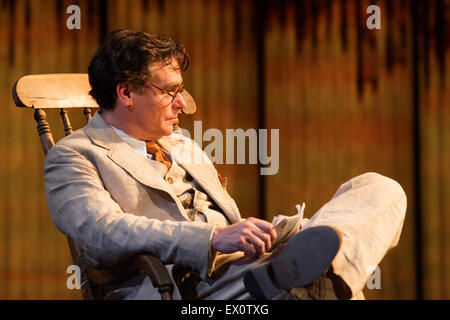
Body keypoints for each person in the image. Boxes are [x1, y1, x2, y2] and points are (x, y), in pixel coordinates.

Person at [44, 29, 407, 300]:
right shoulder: (75, 155)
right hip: (178, 283)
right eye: (170, 90)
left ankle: (310, 275)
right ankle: (312, 282)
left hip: (244, 267)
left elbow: (221, 217)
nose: (182, 103)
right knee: (320, 283)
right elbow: (103, 232)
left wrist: (268, 233)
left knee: (379, 189)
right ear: (126, 93)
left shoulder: (182, 143)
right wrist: (213, 238)